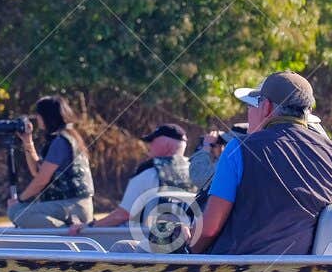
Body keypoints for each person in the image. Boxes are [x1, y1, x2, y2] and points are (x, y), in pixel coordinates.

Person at [191, 71, 332, 255]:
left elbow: (210, 229)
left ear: (266, 107)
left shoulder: (239, 149)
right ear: (308, 112)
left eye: (257, 104)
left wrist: (186, 251)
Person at [76, 123, 195, 230]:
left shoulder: (149, 173)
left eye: (153, 142)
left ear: (166, 145)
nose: (149, 147)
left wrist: (90, 226)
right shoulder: (198, 173)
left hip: (148, 243)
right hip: (187, 242)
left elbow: (122, 215)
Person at [11, 95, 96, 228]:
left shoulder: (61, 142)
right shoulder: (68, 136)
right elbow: (37, 172)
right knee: (17, 210)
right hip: (75, 205)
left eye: (38, 115)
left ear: (47, 116)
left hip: (74, 206)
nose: (37, 119)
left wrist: (20, 200)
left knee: (18, 213)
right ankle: (66, 230)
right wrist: (28, 141)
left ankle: (69, 232)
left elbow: (41, 180)